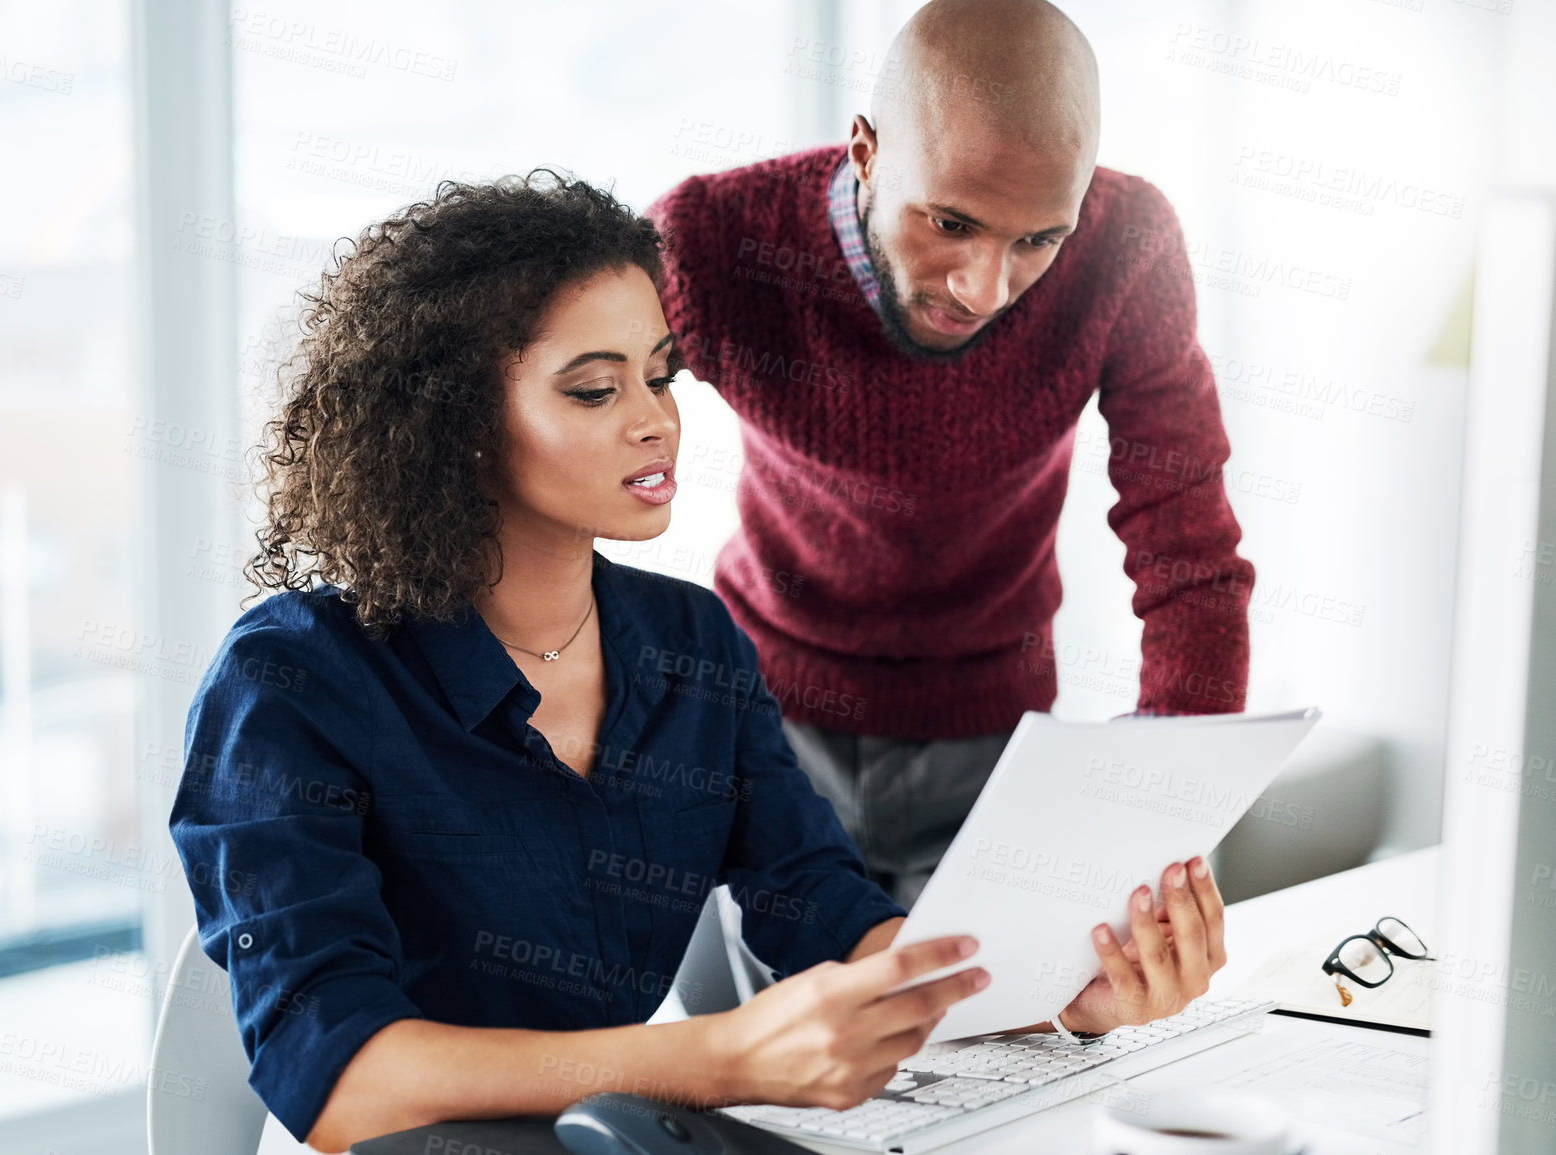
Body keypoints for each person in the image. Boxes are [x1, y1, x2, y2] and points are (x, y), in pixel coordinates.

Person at [170, 171, 1230, 1153]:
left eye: (661, 375)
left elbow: (823, 909)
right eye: (593, 391)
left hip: (615, 1132)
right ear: (452, 429)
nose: (655, 422)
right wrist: (717, 1058)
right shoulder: (292, 680)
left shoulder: (692, 645)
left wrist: (1048, 992)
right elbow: (339, 1075)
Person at [647, 0, 1256, 907]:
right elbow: (555, 446)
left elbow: (1188, 547)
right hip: (753, 721)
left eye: (1038, 239)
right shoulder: (708, 242)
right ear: (865, 151)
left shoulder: (1127, 243)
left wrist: (1162, 812)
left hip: (991, 743)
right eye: (950, 223)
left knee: (1000, 1039)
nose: (986, 287)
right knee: (764, 1043)